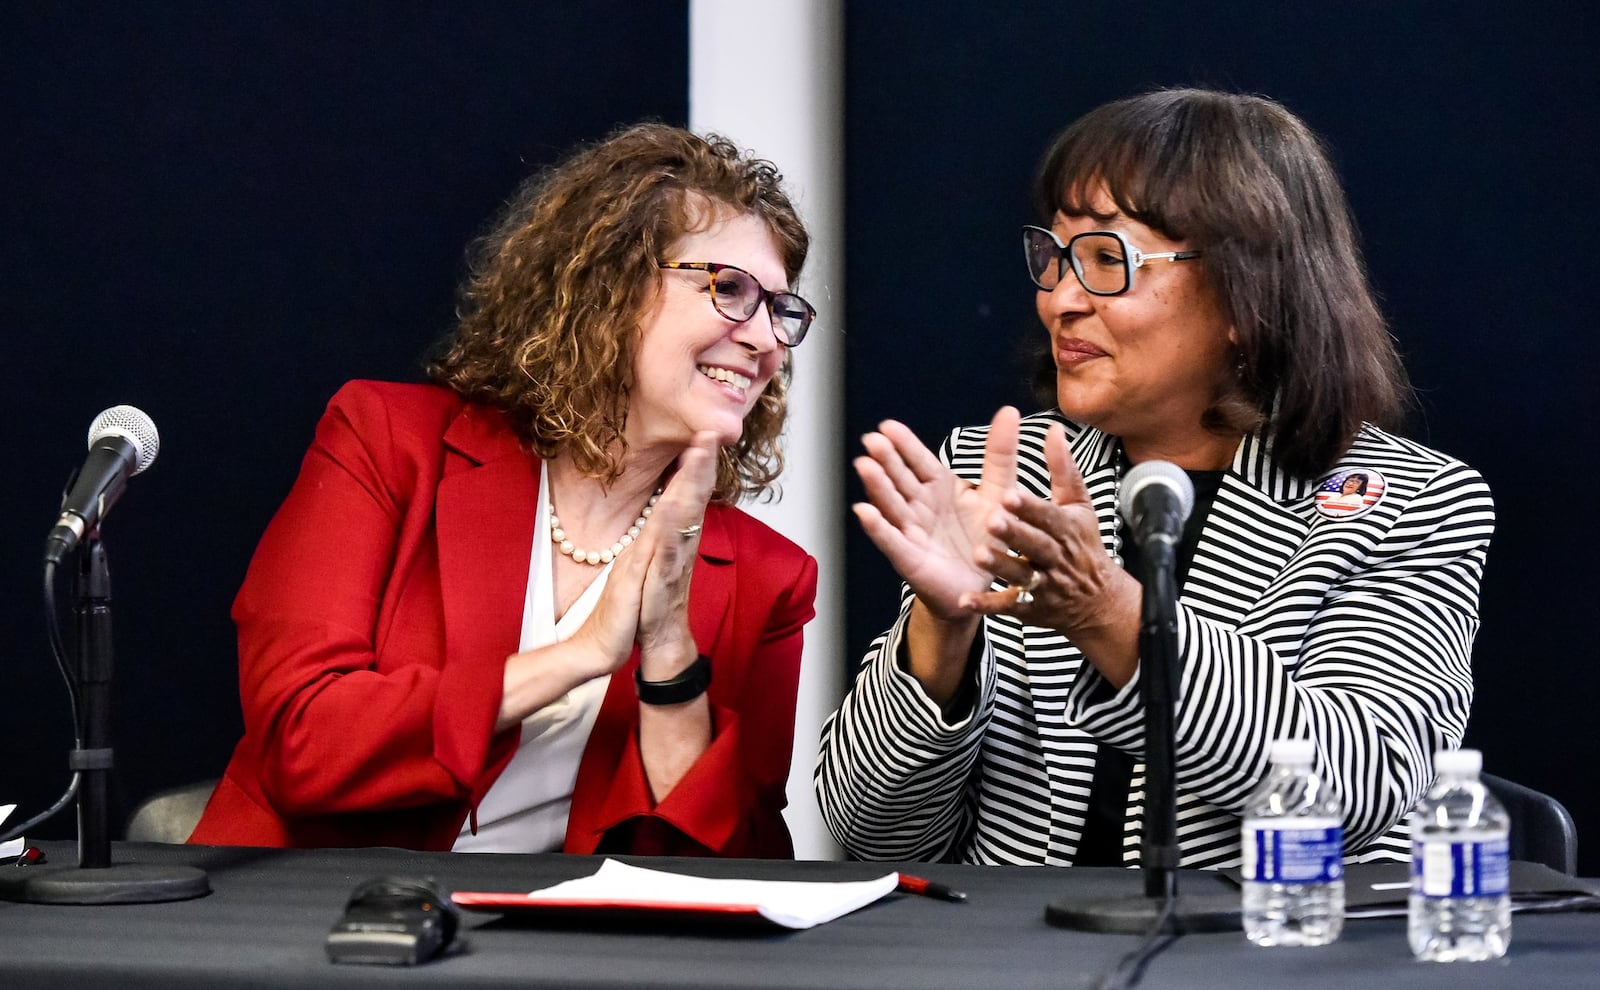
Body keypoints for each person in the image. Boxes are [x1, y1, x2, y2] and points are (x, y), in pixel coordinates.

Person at [815, 88, 1494, 868]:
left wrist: (1111, 614)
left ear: (1247, 295)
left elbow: (1359, 787)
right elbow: (870, 834)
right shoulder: (992, 475)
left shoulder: (1407, 500)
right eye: (1057, 256)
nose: (1060, 300)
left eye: (1107, 260)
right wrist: (942, 629)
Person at [190, 123, 820, 857]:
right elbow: (304, 745)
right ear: (607, 288)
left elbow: (732, 872)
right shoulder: (388, 443)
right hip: (298, 922)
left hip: (547, 952)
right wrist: (580, 654)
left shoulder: (770, 579)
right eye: (730, 288)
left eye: (781, 309)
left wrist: (670, 658)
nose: (765, 338)